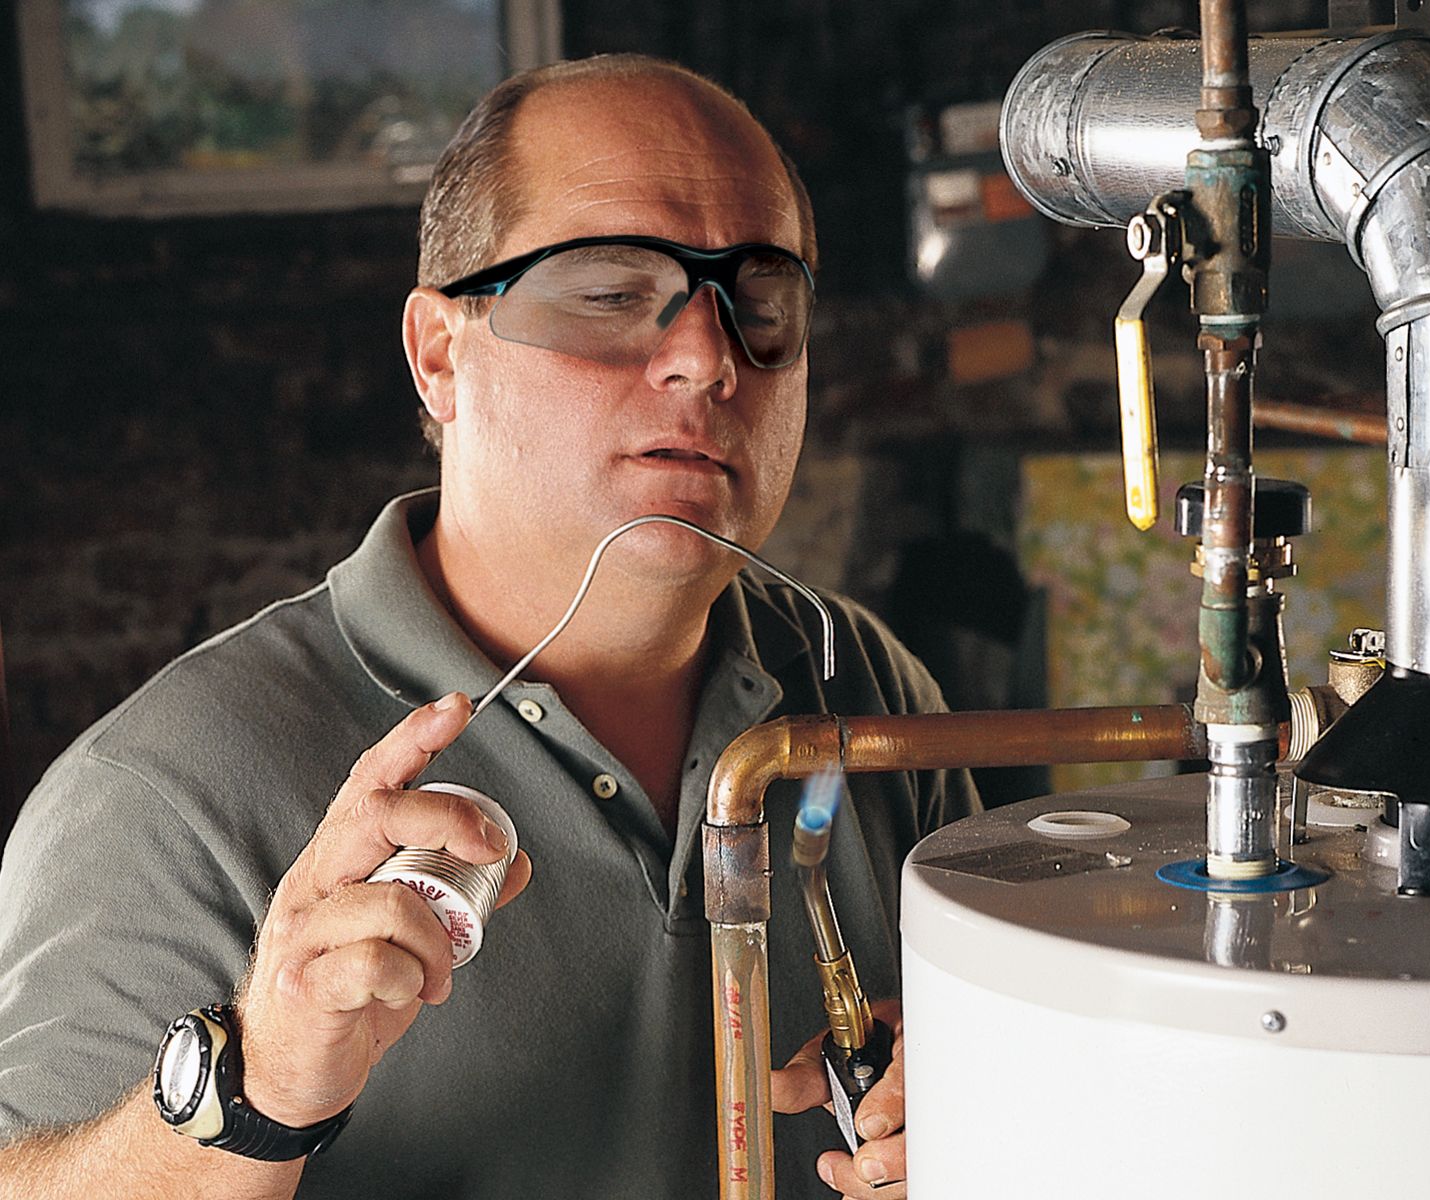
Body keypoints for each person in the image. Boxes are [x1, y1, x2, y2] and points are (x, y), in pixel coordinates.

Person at [0, 54, 976, 1199]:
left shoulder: (865, 689)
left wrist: (975, 1103)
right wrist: (261, 1094)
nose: (708, 358)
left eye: (761, 309)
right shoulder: (169, 790)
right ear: (438, 354)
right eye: (612, 294)